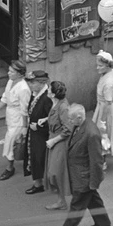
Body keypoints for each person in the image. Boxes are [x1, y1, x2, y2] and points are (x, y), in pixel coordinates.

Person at [61, 104, 111, 226]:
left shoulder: (91, 134)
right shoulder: (81, 124)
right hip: (81, 175)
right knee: (94, 202)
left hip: (83, 179)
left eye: (71, 119)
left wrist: (94, 182)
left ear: (79, 117)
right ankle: (103, 225)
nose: (69, 121)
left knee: (76, 208)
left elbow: (96, 161)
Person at [0, 60, 30, 181]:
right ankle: (25, 162)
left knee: (10, 141)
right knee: (13, 141)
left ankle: (10, 168)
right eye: (9, 70)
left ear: (20, 74)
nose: (8, 73)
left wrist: (24, 126)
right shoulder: (10, 81)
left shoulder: (23, 89)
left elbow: (24, 109)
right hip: (11, 116)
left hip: (18, 119)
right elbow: (5, 97)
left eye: (12, 71)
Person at [44, 81, 72, 212]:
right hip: (54, 138)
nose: (47, 90)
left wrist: (53, 141)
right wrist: (45, 120)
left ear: (53, 93)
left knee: (55, 172)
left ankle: (63, 201)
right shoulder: (57, 103)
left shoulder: (63, 107)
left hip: (59, 141)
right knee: (55, 172)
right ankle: (61, 200)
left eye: (49, 89)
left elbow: (68, 129)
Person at [24, 70, 52, 194]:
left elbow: (53, 118)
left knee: (39, 158)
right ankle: (38, 182)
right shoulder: (36, 93)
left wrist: (40, 127)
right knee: (34, 157)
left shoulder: (46, 98)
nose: (30, 85)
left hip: (42, 135)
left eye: (33, 82)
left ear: (42, 83)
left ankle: (40, 183)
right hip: (34, 132)